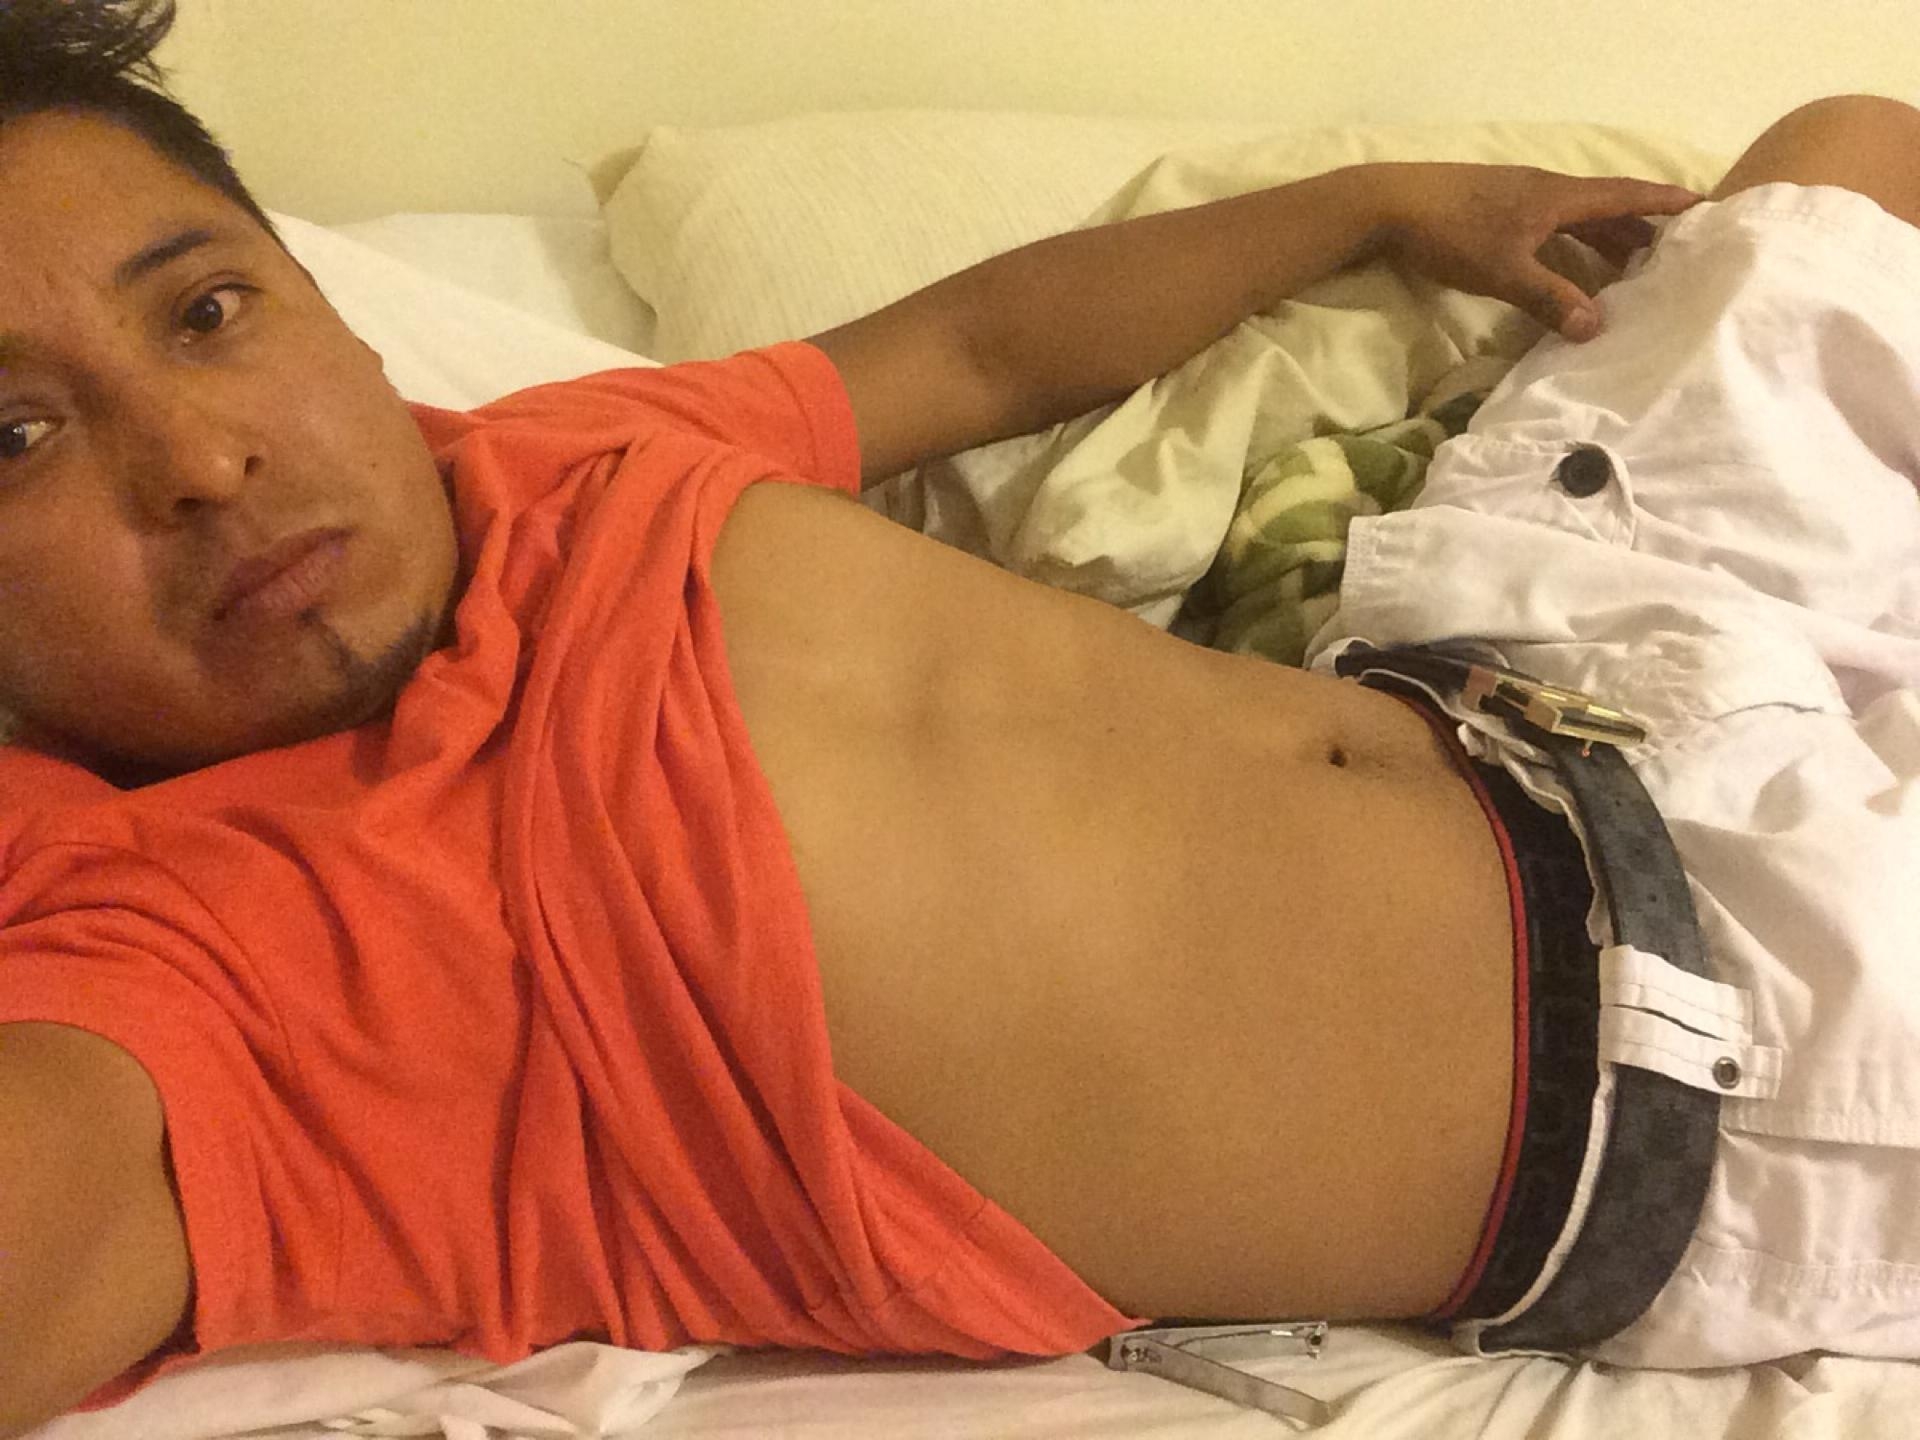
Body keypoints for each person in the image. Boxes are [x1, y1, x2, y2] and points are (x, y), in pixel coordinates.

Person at [3, 0, 1918, 1431]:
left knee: (1849, 156)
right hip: (1743, 1061)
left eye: (209, 312)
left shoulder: (535, 461)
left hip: (1557, 666)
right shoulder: (207, 957)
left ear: (326, 306)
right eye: (13, 436)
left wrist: (1373, 203)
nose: (202, 459)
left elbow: (975, 350)